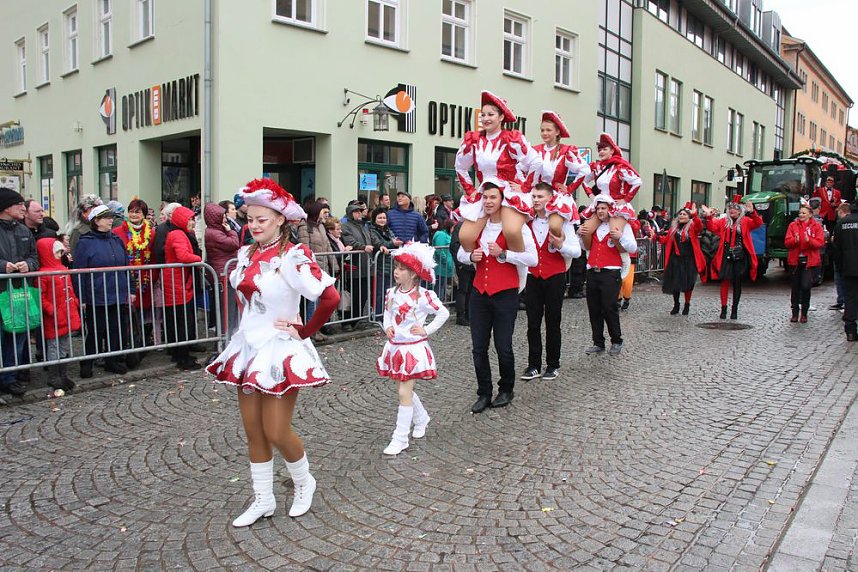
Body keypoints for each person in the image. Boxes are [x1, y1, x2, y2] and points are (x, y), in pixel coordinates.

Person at [207, 178, 339, 525]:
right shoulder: (246, 253)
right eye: (249, 219)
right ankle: (263, 499)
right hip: (249, 348)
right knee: (254, 430)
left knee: (277, 431)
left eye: (261, 220)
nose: (253, 226)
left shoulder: (294, 257)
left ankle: (304, 481)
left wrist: (305, 330)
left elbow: (330, 297)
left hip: (279, 350)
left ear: (280, 219)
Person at [456, 179, 537, 413]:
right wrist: (471, 258)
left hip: (505, 294)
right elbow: (461, 252)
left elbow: (532, 259)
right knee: (478, 347)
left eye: (493, 197)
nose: (488, 201)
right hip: (480, 293)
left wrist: (505, 255)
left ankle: (506, 389)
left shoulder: (517, 228)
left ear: (503, 200)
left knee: (503, 346)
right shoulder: (477, 225)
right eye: (485, 197)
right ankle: (483, 392)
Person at [376, 242, 449, 455]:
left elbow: (443, 313)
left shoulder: (424, 296)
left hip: (413, 349)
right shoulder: (391, 293)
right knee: (402, 389)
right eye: (396, 268)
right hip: (395, 346)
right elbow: (387, 312)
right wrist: (388, 326)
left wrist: (426, 330)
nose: (396, 272)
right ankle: (421, 418)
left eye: (401, 269)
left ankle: (400, 438)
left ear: (414, 274)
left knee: (403, 392)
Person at [455, 91, 541, 254]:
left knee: (512, 231)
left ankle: (519, 273)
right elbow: (460, 166)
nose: (486, 118)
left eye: (491, 114)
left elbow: (536, 162)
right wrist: (471, 191)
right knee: (465, 237)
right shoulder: (474, 140)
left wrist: (524, 187)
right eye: (483, 114)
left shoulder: (511, 138)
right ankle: (482, 266)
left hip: (508, 192)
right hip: (486, 193)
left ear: (501, 117)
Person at [521, 182, 581, 382]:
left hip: (554, 276)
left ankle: (553, 364)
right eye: (534, 196)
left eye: (540, 197)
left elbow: (577, 251)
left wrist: (561, 245)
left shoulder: (562, 222)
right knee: (532, 323)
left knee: (553, 322)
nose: (536, 200)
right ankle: (533, 365)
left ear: (550, 199)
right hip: (533, 277)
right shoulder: (527, 222)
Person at [72, 205, 133, 378]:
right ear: (96, 221)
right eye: (106, 218)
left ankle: (112, 361)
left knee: (116, 329)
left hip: (117, 293)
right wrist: (82, 297)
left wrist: (130, 288)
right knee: (95, 331)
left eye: (111, 217)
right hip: (97, 295)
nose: (111, 220)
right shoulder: (85, 242)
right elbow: (79, 272)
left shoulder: (116, 240)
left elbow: (126, 267)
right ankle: (88, 362)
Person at [577, 195, 637, 356]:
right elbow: (584, 247)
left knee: (609, 308)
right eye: (598, 208)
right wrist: (579, 235)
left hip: (610, 272)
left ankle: (616, 340)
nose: (600, 211)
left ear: (610, 209)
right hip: (593, 271)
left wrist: (621, 237)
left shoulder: (621, 225)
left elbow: (632, 246)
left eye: (603, 208)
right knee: (594, 309)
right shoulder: (593, 227)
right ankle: (598, 342)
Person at [581, 133, 641, 278]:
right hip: (601, 204)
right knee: (586, 231)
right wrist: (591, 196)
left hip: (616, 204)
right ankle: (590, 255)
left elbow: (637, 181)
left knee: (614, 233)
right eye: (600, 149)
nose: (601, 152)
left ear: (612, 150)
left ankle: (624, 258)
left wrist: (625, 199)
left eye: (604, 149)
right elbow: (582, 179)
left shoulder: (620, 166)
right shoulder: (596, 167)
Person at [0, 189, 39, 396]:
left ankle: (10, 378)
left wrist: (29, 265)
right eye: (18, 204)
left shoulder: (23, 231)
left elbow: (34, 257)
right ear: (6, 207)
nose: (23, 208)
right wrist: (3, 266)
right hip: (0, 292)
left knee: (18, 336)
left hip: (18, 293)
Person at [701, 197, 763, 320]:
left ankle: (734, 310)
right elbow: (712, 227)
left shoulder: (745, 221)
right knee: (724, 281)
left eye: (735, 208)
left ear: (740, 211)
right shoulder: (723, 221)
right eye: (730, 208)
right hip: (726, 255)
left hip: (740, 256)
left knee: (737, 283)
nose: (732, 210)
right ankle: (723, 309)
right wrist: (708, 217)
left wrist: (752, 212)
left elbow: (758, 223)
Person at [157, 205, 203, 370]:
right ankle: (182, 357)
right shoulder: (177, 234)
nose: (192, 222)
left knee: (178, 319)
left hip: (178, 281)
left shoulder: (178, 233)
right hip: (177, 283)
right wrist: (199, 258)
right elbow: (183, 255)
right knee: (181, 320)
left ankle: (180, 353)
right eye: (190, 219)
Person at [112, 198, 156, 366]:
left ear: (144, 215)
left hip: (144, 280)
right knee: (126, 316)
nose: (134, 214)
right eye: (131, 211)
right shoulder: (118, 231)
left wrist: (152, 276)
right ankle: (127, 349)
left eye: (138, 212)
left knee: (143, 316)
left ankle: (141, 347)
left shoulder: (151, 232)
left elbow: (153, 255)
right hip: (126, 280)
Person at [533, 111, 590, 238]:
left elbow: (584, 169)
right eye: (542, 130)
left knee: (554, 227)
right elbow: (521, 168)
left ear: (557, 132)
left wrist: (570, 189)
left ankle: (562, 247)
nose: (545, 133)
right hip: (536, 195)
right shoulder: (535, 150)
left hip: (556, 197)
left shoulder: (566, 151)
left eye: (548, 130)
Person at [36, 237, 80, 392]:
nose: (59, 254)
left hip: (66, 312)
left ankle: (63, 374)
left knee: (64, 346)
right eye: (57, 252)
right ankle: (54, 376)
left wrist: (74, 301)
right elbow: (40, 296)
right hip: (54, 316)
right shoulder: (43, 274)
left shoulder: (62, 268)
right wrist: (50, 309)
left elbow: (70, 288)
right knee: (54, 347)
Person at [659, 203, 707, 316]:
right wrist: (656, 237)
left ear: (689, 217)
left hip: (689, 260)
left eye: (684, 214)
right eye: (680, 214)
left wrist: (695, 215)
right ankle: (676, 304)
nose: (681, 216)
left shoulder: (693, 227)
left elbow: (700, 226)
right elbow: (666, 240)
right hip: (675, 259)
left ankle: (687, 304)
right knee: (675, 283)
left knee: (688, 284)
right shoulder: (673, 229)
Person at [785, 203, 825, 323]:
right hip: (795, 261)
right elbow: (787, 242)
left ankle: (804, 312)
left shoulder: (816, 226)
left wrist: (809, 241)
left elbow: (819, 243)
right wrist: (795, 240)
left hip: (809, 261)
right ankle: (795, 312)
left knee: (806, 286)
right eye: (800, 213)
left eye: (804, 213)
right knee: (795, 287)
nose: (801, 215)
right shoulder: (793, 225)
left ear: (810, 214)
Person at [340, 202, 375, 330]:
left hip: (366, 267)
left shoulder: (364, 227)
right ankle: (347, 321)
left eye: (361, 211)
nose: (360, 214)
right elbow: (349, 241)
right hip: (353, 268)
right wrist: (362, 247)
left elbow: (371, 240)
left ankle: (357, 319)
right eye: (357, 212)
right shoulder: (346, 226)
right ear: (351, 213)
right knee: (352, 296)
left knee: (363, 295)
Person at [368, 207, 402, 320]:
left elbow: (392, 240)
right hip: (379, 266)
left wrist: (394, 242)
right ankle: (378, 316)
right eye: (379, 218)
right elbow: (378, 242)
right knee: (379, 293)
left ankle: (387, 315)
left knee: (388, 292)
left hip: (390, 265)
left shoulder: (388, 229)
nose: (382, 220)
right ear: (374, 219)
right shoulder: (372, 230)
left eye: (384, 217)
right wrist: (392, 243)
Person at [832, 201, 858, 341]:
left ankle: (850, 330)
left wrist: (840, 267)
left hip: (848, 267)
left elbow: (837, 248)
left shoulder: (841, 223)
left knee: (850, 298)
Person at [449, 218, 473, 326]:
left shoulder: (474, 224)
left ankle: (468, 314)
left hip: (472, 263)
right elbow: (454, 245)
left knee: (470, 290)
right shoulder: (461, 226)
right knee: (463, 290)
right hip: (464, 264)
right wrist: (459, 263)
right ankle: (461, 315)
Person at [831, 203, 852, 311]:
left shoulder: (840, 223)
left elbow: (836, 241)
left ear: (840, 211)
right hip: (850, 257)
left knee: (841, 280)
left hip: (842, 256)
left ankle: (843, 301)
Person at [431, 218, 455, 302]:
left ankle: (441, 302)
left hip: (445, 267)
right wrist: (446, 261)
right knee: (439, 287)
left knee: (442, 286)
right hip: (441, 266)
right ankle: (437, 304)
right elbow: (439, 251)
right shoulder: (441, 235)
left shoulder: (448, 235)